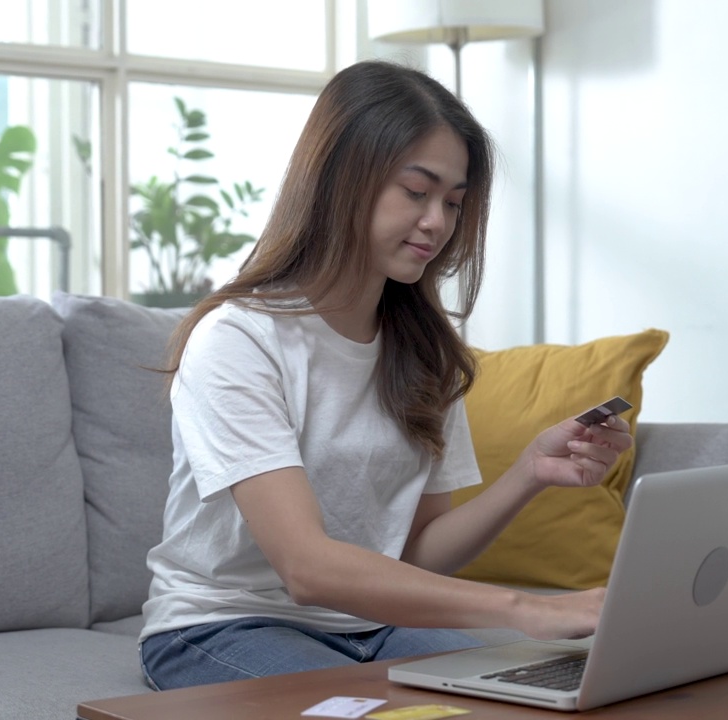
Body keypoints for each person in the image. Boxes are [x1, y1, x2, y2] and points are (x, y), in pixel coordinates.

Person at [139, 59, 633, 691]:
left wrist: (530, 474)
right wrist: (526, 607)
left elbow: (416, 550)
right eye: (416, 191)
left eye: (454, 202)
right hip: (223, 625)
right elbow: (307, 568)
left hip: (372, 621)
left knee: (536, 694)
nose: (438, 222)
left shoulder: (423, 349)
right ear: (343, 177)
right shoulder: (239, 340)